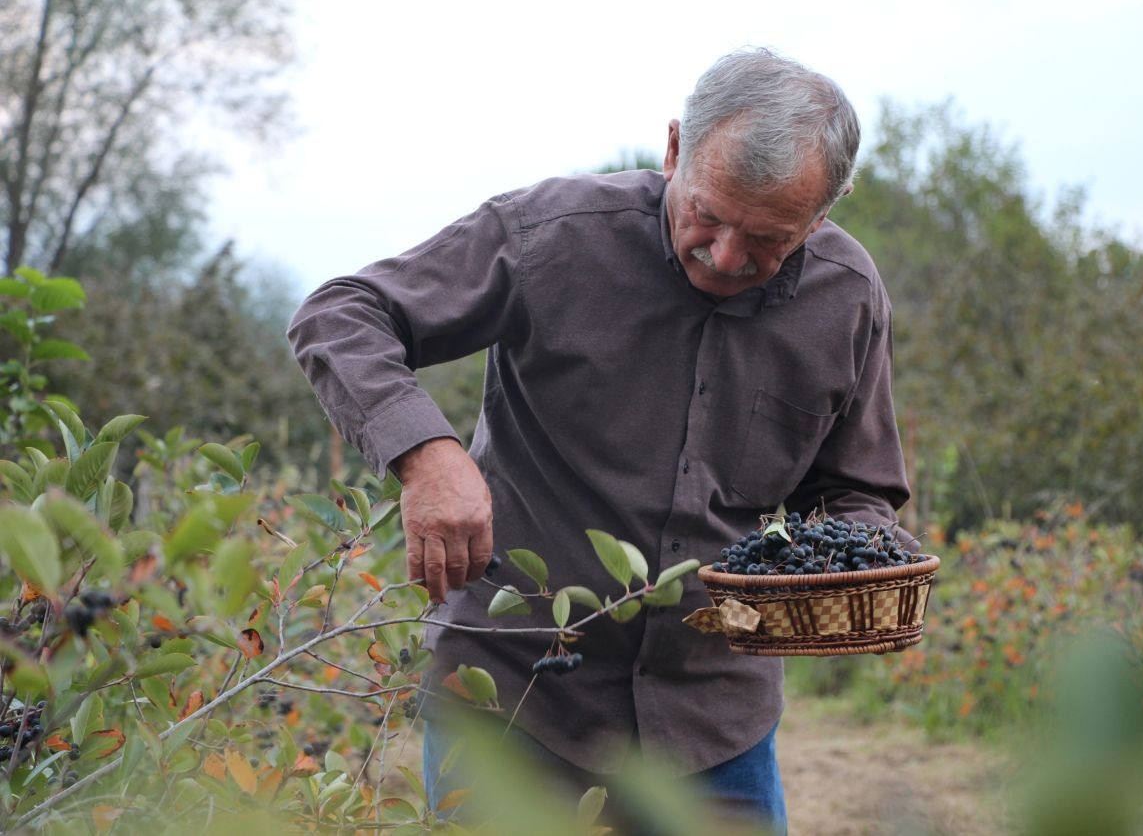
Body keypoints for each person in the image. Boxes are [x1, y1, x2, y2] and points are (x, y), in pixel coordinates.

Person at [288, 47, 913, 834]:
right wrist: (427, 455)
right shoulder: (551, 237)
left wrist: (849, 568)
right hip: (514, 699)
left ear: (824, 212)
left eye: (768, 240)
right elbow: (341, 312)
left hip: (711, 720)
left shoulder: (846, 296)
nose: (725, 256)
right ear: (676, 149)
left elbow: (857, 490)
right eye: (709, 215)